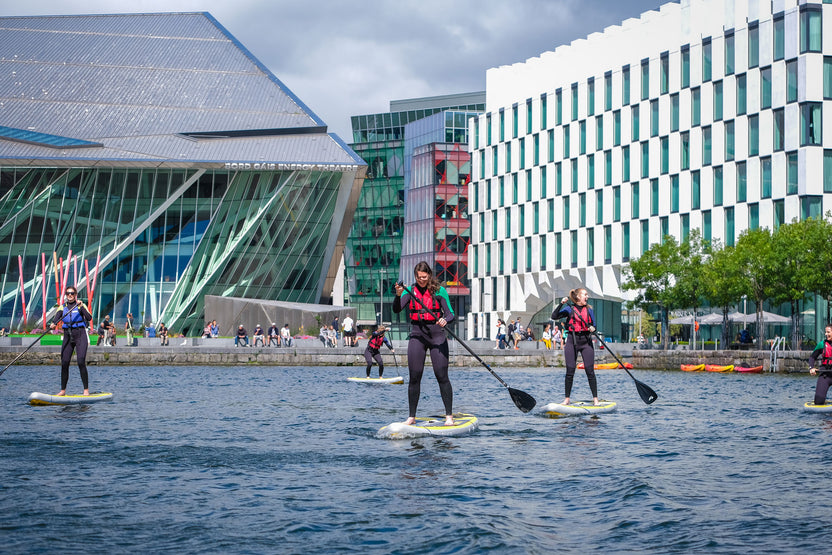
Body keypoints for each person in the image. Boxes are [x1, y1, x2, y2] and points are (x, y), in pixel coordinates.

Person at [393, 261, 455, 427]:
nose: (421, 280)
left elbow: (450, 313)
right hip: (417, 335)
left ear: (429, 275)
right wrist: (398, 295)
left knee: (441, 375)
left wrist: (444, 319)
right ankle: (411, 417)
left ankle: (449, 416)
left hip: (437, 335)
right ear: (415, 276)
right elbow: (396, 309)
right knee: (414, 376)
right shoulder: (410, 291)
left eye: (424, 277)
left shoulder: (439, 291)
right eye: (419, 278)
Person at [552, 287, 599, 406]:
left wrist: (593, 329)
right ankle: (567, 399)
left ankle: (595, 400)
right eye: (585, 295)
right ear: (578, 297)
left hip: (586, 341)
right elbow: (554, 316)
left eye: (587, 295)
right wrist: (560, 304)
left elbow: (594, 325)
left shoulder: (589, 310)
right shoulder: (569, 308)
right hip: (572, 341)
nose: (587, 297)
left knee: (590, 370)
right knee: (570, 370)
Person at [49, 286, 93, 396]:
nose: (70, 295)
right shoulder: (62, 307)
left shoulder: (80, 306)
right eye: (68, 293)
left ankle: (86, 390)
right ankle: (63, 391)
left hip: (80, 335)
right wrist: (53, 324)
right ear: (66, 295)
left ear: (75, 294)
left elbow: (89, 317)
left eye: (72, 293)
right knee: (64, 362)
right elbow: (56, 319)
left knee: (81, 361)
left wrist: (82, 306)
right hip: (68, 336)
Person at [809, 325, 832, 406]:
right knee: (818, 402)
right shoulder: (821, 344)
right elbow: (812, 358)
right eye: (825, 332)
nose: (826, 334)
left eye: (828, 332)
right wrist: (811, 368)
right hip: (825, 374)